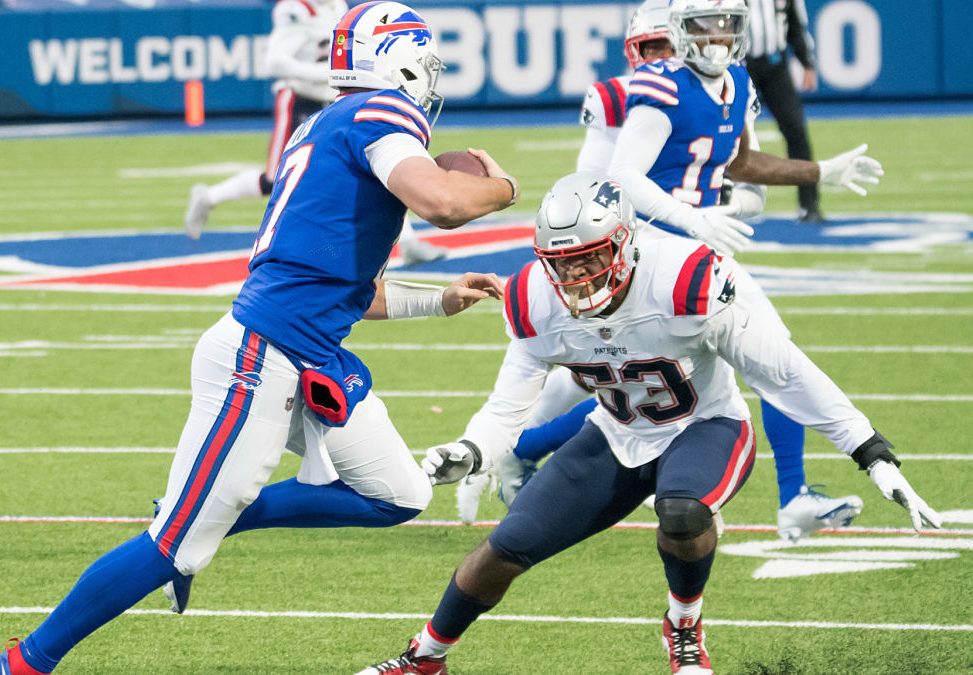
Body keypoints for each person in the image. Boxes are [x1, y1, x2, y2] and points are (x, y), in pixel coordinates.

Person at [0, 3, 519, 672]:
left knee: (398, 494)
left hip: (307, 352)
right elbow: (444, 203)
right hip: (262, 357)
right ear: (398, 59)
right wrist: (502, 186)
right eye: (426, 63)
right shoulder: (382, 112)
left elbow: (349, 288)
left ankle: (222, 509)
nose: (430, 83)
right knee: (171, 546)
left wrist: (438, 300)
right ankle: (23, 662)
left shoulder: (322, 125)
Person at [357, 172, 941, 675]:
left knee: (683, 512)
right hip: (616, 433)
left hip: (706, 424)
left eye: (590, 257)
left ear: (626, 243)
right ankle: (424, 656)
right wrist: (473, 449)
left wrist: (870, 451)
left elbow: (783, 372)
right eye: (564, 264)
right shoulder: (536, 298)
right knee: (508, 545)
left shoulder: (686, 280)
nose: (579, 279)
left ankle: (683, 625)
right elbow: (509, 404)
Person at [455, 0, 870, 543]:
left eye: (665, 47)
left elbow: (738, 165)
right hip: (638, 254)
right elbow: (598, 181)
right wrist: (683, 216)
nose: (661, 57)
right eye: (649, 48)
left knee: (720, 367)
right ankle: (504, 451)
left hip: (696, 252)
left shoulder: (725, 83)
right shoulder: (625, 97)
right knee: (604, 379)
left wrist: (789, 183)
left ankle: (791, 495)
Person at [183, 0, 447, 265]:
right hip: (299, 98)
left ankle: (409, 243)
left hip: (334, 99)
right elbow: (275, 63)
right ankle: (209, 196)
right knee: (276, 179)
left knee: (370, 167)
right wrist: (327, 74)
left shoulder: (338, 6)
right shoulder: (296, 9)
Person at [746, 0, 824, 223]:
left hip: (775, 66)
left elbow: (795, 23)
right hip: (738, 66)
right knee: (726, 132)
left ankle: (809, 205)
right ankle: (721, 200)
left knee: (796, 131)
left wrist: (806, 61)